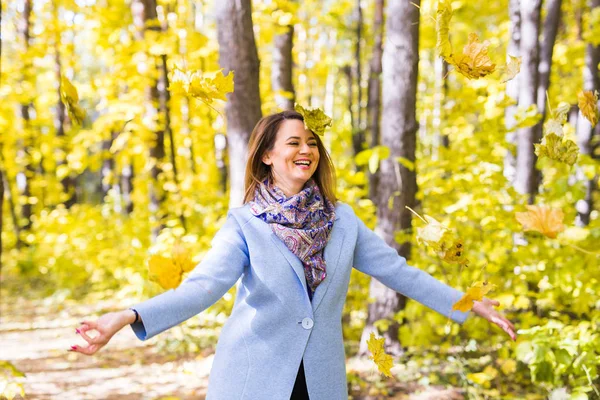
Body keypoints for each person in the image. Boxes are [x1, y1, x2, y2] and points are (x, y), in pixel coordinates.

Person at [70, 110, 517, 399]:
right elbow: (203, 287)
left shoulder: (342, 221)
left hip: (320, 379)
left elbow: (399, 272)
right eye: (294, 142)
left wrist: (466, 301)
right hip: (253, 377)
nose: (306, 150)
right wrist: (127, 316)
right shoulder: (244, 223)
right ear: (267, 155)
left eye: (312, 143)